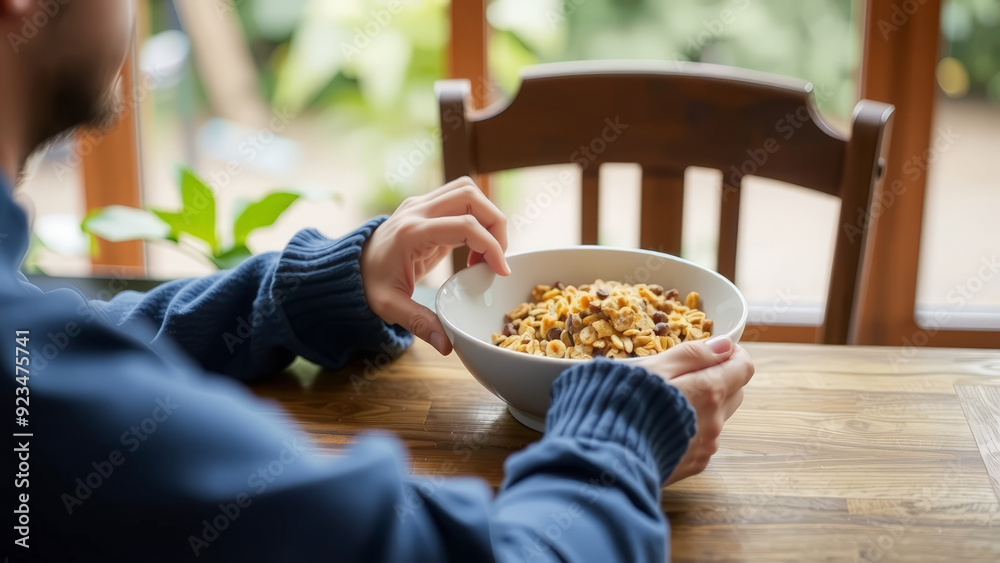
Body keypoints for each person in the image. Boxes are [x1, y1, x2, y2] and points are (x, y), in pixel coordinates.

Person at [0, 2, 753, 561]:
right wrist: (617, 438)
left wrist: (301, 293)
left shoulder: (32, 361)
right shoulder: (54, 416)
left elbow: (62, 345)